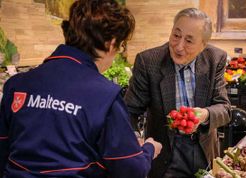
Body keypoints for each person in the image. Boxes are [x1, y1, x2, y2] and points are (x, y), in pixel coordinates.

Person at [0, 0, 162, 177]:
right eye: (121, 46)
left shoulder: (16, 84)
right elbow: (131, 169)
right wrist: (149, 149)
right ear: (111, 43)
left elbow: (3, 149)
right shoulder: (104, 96)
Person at [124, 8, 231, 178]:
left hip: (203, 151)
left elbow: (225, 109)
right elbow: (129, 110)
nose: (179, 46)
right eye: (176, 35)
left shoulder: (215, 59)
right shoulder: (148, 61)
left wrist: (204, 115)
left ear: (203, 45)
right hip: (165, 154)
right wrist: (136, 137)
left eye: (189, 41)